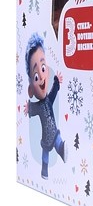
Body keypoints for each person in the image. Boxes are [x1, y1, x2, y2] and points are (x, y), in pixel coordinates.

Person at [25, 33, 67, 179]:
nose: (42, 78)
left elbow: (54, 91)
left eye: (43, 68)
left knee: (56, 142)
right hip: (46, 135)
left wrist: (56, 81)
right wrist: (28, 108)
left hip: (52, 132)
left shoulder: (49, 100)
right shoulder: (39, 105)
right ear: (30, 89)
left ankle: (61, 150)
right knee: (45, 155)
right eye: (36, 77)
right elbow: (32, 108)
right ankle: (44, 171)